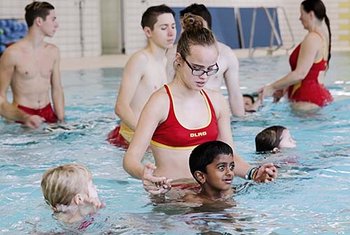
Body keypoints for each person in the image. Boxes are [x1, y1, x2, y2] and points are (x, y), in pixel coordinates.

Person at [123, 14, 277, 196]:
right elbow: (130, 159)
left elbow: (230, 157)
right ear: (179, 60)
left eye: (211, 69)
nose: (204, 76)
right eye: (197, 68)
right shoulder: (161, 102)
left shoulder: (216, 101)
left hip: (213, 192)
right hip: (174, 196)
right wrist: (144, 175)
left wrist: (254, 172)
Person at [107, 4, 176, 148]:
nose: (171, 33)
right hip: (132, 138)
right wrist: (145, 137)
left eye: (173, 27)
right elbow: (121, 107)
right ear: (148, 32)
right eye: (164, 28)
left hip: (152, 136)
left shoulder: (166, 61)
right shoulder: (140, 60)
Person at [166, 3, 245, 117]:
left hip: (213, 113)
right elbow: (165, 86)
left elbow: (235, 94)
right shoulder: (173, 53)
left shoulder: (227, 54)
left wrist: (241, 121)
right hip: (184, 114)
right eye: (185, 26)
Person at [259, 0, 332, 112]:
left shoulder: (312, 39)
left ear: (311, 14)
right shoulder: (322, 38)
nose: (300, 18)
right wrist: (285, 87)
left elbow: (300, 74)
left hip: (306, 100)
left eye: (302, 14)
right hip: (312, 98)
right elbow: (309, 74)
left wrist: (271, 87)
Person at [0, 1, 64, 128]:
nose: (57, 25)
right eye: (53, 19)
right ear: (39, 21)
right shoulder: (12, 54)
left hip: (48, 113)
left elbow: (57, 89)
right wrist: (25, 117)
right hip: (21, 115)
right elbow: (0, 98)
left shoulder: (53, 51)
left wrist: (61, 120)